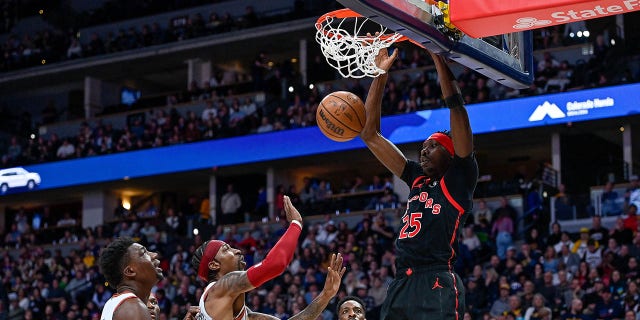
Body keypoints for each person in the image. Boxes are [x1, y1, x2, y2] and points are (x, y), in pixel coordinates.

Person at [360, 47, 478, 320]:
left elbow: (457, 108)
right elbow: (369, 134)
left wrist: (438, 56)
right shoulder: (417, 178)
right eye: (423, 146)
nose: (423, 151)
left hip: (435, 279)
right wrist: (380, 74)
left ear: (450, 154)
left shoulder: (459, 179)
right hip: (401, 282)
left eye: (433, 146)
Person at [192, 195, 346, 320]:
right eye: (227, 250)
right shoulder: (223, 285)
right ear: (213, 265)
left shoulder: (242, 312)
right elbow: (274, 265)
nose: (237, 251)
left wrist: (325, 296)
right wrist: (296, 224)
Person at [98, 237, 164, 320]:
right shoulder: (133, 308)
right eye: (144, 253)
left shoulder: (113, 303)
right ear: (130, 271)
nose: (154, 255)